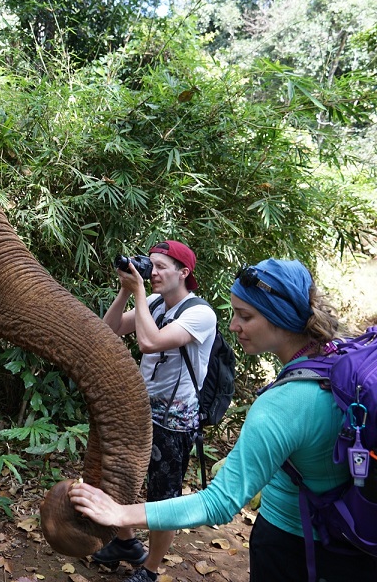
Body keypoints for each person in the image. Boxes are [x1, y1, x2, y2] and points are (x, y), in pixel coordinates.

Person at [69, 258, 377, 582]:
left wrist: (120, 513)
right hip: (352, 535)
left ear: (282, 318)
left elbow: (219, 503)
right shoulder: (342, 359)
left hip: (293, 544)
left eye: (246, 316)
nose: (233, 326)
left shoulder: (282, 405)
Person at [95, 240, 217, 582]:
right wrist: (125, 291)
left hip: (175, 421)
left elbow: (149, 342)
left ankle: (149, 569)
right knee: (120, 476)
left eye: (161, 266)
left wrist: (137, 295)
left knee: (163, 496)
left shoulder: (200, 313)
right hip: (140, 409)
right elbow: (109, 330)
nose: (153, 273)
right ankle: (126, 543)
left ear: (184, 272)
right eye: (150, 265)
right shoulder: (153, 303)